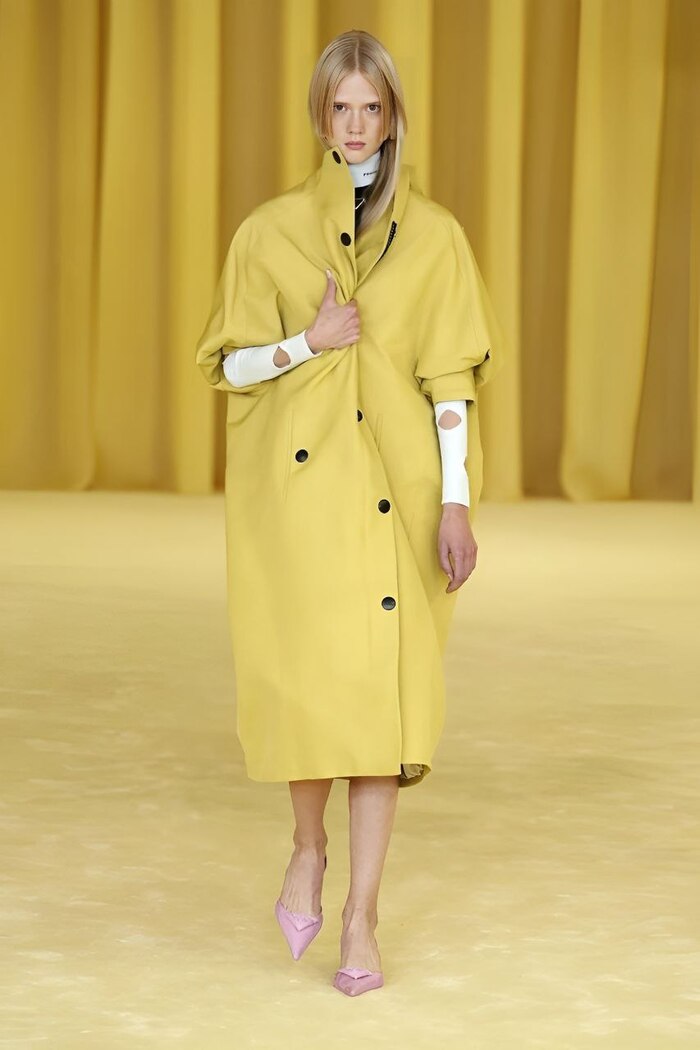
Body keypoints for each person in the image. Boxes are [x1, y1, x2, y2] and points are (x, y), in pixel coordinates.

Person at [194, 29, 504, 996]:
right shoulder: (270, 232)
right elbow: (228, 364)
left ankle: (363, 916)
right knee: (312, 689)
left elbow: (451, 382)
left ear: (394, 115)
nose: (358, 125)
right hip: (304, 500)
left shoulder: (437, 237)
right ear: (320, 116)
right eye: (342, 107)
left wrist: (455, 501)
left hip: (399, 496)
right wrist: (309, 340)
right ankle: (307, 848)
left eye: (373, 107)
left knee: (385, 706)